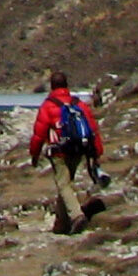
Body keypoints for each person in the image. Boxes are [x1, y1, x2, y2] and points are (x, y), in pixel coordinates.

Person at [28, 71, 104, 234]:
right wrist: (97, 152)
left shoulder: (48, 105)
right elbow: (93, 128)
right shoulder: (78, 103)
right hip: (78, 150)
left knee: (63, 185)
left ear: (52, 86)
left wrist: (34, 154)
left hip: (59, 152)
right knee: (65, 184)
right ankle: (61, 225)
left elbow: (39, 134)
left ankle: (77, 216)